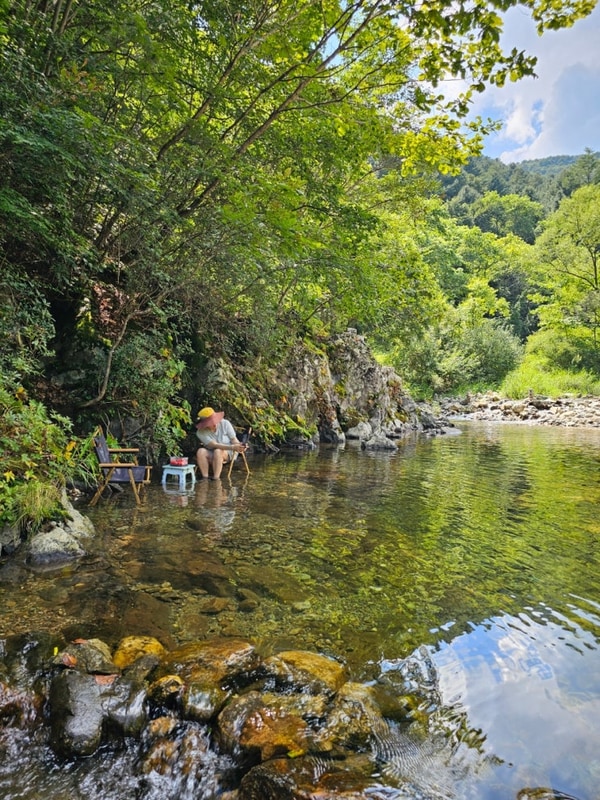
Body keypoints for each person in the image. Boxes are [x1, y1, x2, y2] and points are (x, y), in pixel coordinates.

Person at [195, 407, 248, 480]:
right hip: (212, 451)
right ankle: (205, 478)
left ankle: (216, 479)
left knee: (218, 451)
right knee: (200, 451)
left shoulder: (225, 423)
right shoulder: (200, 432)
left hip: (228, 453)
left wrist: (240, 445)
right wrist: (233, 447)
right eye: (210, 423)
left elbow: (234, 440)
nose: (214, 424)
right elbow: (214, 445)